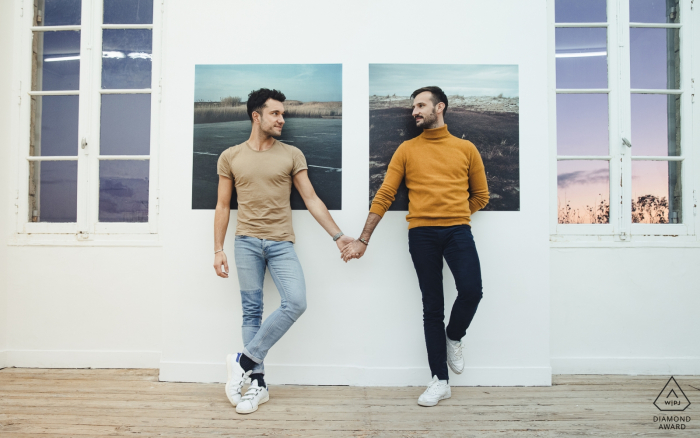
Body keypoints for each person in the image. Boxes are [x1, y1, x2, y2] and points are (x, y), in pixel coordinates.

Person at [342, 86, 489, 407]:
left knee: (472, 291)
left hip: (457, 231)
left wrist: (454, 212)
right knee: (432, 307)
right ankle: (440, 380)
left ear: (440, 107)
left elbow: (481, 196)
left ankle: (455, 336)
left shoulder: (466, 149)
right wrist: (363, 239)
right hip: (421, 235)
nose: (414, 112)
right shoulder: (406, 150)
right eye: (413, 107)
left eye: (421, 105)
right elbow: (383, 195)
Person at [214, 88, 353, 414]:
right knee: (252, 311)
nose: (282, 118)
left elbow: (312, 199)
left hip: (281, 244)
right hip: (245, 241)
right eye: (275, 113)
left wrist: (339, 236)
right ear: (256, 116)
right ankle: (258, 386)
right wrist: (217, 249)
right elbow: (222, 205)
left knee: (296, 301)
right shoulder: (230, 156)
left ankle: (243, 361)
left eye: (283, 113)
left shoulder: (292, 154)